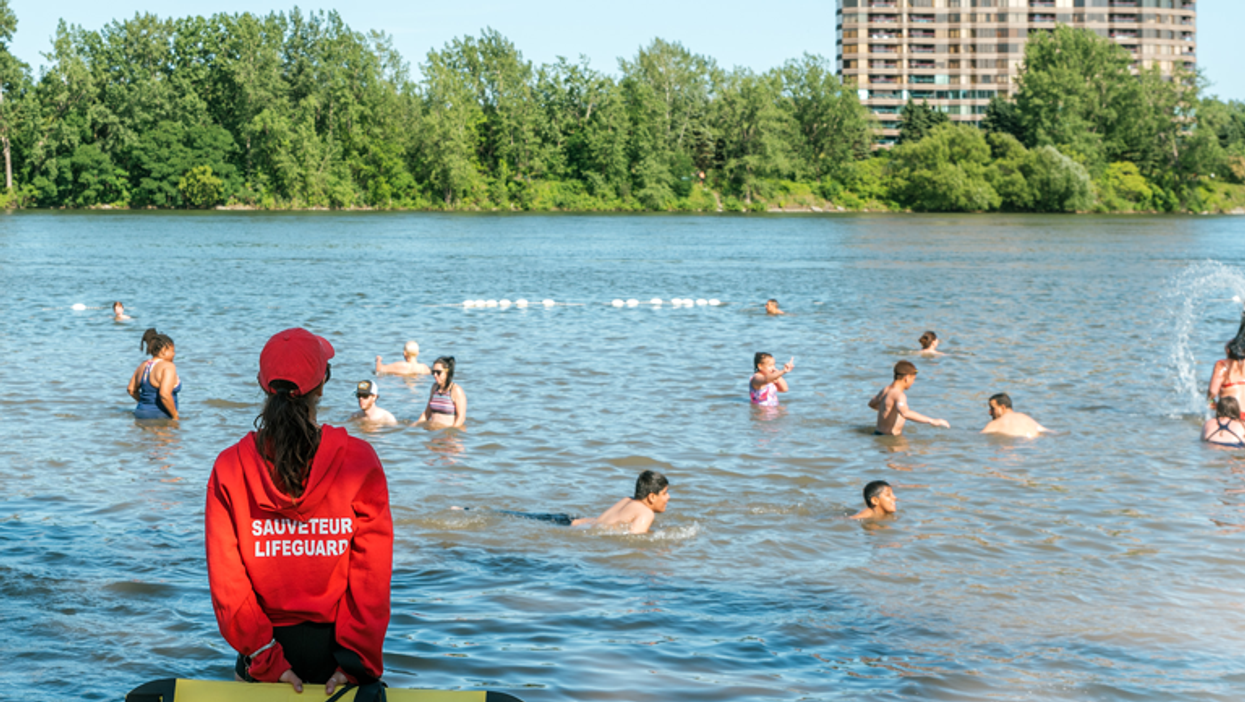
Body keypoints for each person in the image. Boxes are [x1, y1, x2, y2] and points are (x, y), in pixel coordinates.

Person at [205, 328, 392, 696]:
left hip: (262, 651)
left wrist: (263, 655)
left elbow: (228, 584)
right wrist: (356, 660)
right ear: (322, 386)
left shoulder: (230, 468)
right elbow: (372, 574)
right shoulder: (358, 461)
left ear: (262, 385)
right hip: (337, 652)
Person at [572, 470, 670, 535]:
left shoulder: (628, 500)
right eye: (664, 493)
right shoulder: (646, 513)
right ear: (652, 497)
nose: (668, 497)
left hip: (573, 523)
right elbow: (635, 540)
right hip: (580, 531)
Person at [868, 360, 949, 436]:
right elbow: (905, 413)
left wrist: (887, 410)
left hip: (878, 434)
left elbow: (871, 404)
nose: (913, 383)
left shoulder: (886, 390)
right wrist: (932, 420)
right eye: (913, 379)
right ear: (906, 378)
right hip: (890, 438)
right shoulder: (899, 395)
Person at [127, 328, 181, 420]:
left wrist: (146, 405)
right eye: (172, 350)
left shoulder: (143, 365)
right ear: (164, 350)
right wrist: (175, 416)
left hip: (140, 414)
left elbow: (131, 390)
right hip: (160, 416)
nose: (174, 354)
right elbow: (164, 394)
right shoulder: (168, 366)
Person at [417, 356, 467, 429]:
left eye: (438, 372)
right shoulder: (434, 388)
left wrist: (451, 433)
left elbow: (461, 418)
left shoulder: (456, 390)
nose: (435, 375)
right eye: (433, 372)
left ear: (447, 372)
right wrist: (415, 426)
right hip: (433, 434)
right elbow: (427, 413)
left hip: (448, 436)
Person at [981, 393, 1047, 438]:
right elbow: (1050, 432)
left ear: (1003, 407)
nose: (990, 412)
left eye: (993, 408)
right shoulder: (1027, 418)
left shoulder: (996, 423)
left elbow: (980, 436)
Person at [1207, 341, 1245, 414]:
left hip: (1230, 414)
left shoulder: (1222, 364)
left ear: (1228, 350)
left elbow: (1212, 392)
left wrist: (1211, 401)